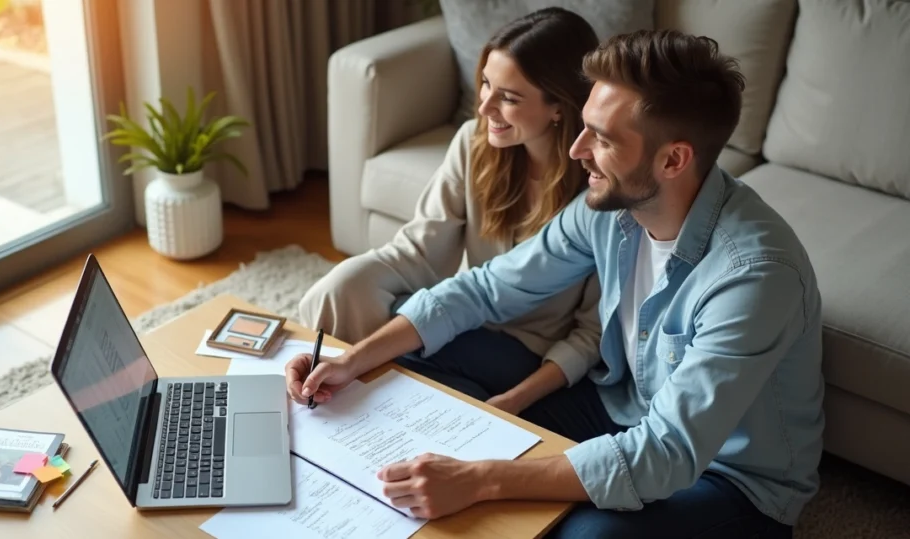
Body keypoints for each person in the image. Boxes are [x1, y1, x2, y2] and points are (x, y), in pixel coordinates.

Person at [286, 28, 825, 538]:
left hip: (728, 478)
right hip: (617, 408)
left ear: (673, 159)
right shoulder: (609, 210)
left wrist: (483, 480)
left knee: (578, 532)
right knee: (419, 384)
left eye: (602, 137)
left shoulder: (754, 278)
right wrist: (353, 359)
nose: (576, 149)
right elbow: (485, 290)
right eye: (585, 124)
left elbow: (665, 453)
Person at [299, 7, 603, 417]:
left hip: (530, 351)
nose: (484, 107)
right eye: (484, 85)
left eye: (508, 98)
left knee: (399, 351)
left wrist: (517, 400)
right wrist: (346, 285)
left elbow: (590, 335)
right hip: (467, 316)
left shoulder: (596, 190)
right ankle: (311, 396)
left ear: (559, 107)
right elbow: (421, 250)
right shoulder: (475, 145)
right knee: (344, 292)